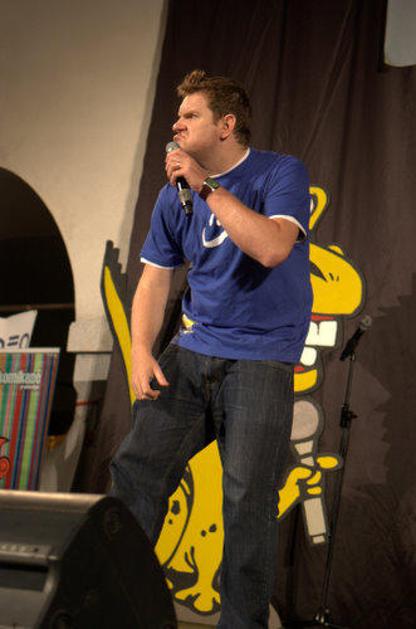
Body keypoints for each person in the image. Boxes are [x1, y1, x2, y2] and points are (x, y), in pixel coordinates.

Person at [110, 69, 312, 628]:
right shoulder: (171, 195)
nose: (175, 125)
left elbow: (272, 248)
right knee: (135, 470)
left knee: (247, 499)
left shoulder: (279, 172)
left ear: (226, 125)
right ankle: (113, 605)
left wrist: (204, 186)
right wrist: (140, 350)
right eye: (177, 116)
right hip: (194, 349)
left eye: (190, 115)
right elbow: (155, 277)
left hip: (261, 358)